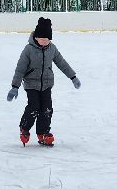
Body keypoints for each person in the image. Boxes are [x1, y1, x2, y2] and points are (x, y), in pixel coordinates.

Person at [7, 17, 80, 147]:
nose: (45, 42)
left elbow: (62, 63)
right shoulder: (28, 50)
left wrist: (73, 77)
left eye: (48, 40)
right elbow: (20, 69)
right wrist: (15, 86)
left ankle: (43, 133)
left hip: (46, 84)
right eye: (43, 39)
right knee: (34, 107)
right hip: (31, 84)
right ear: (36, 37)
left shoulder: (52, 49)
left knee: (47, 109)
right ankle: (24, 128)